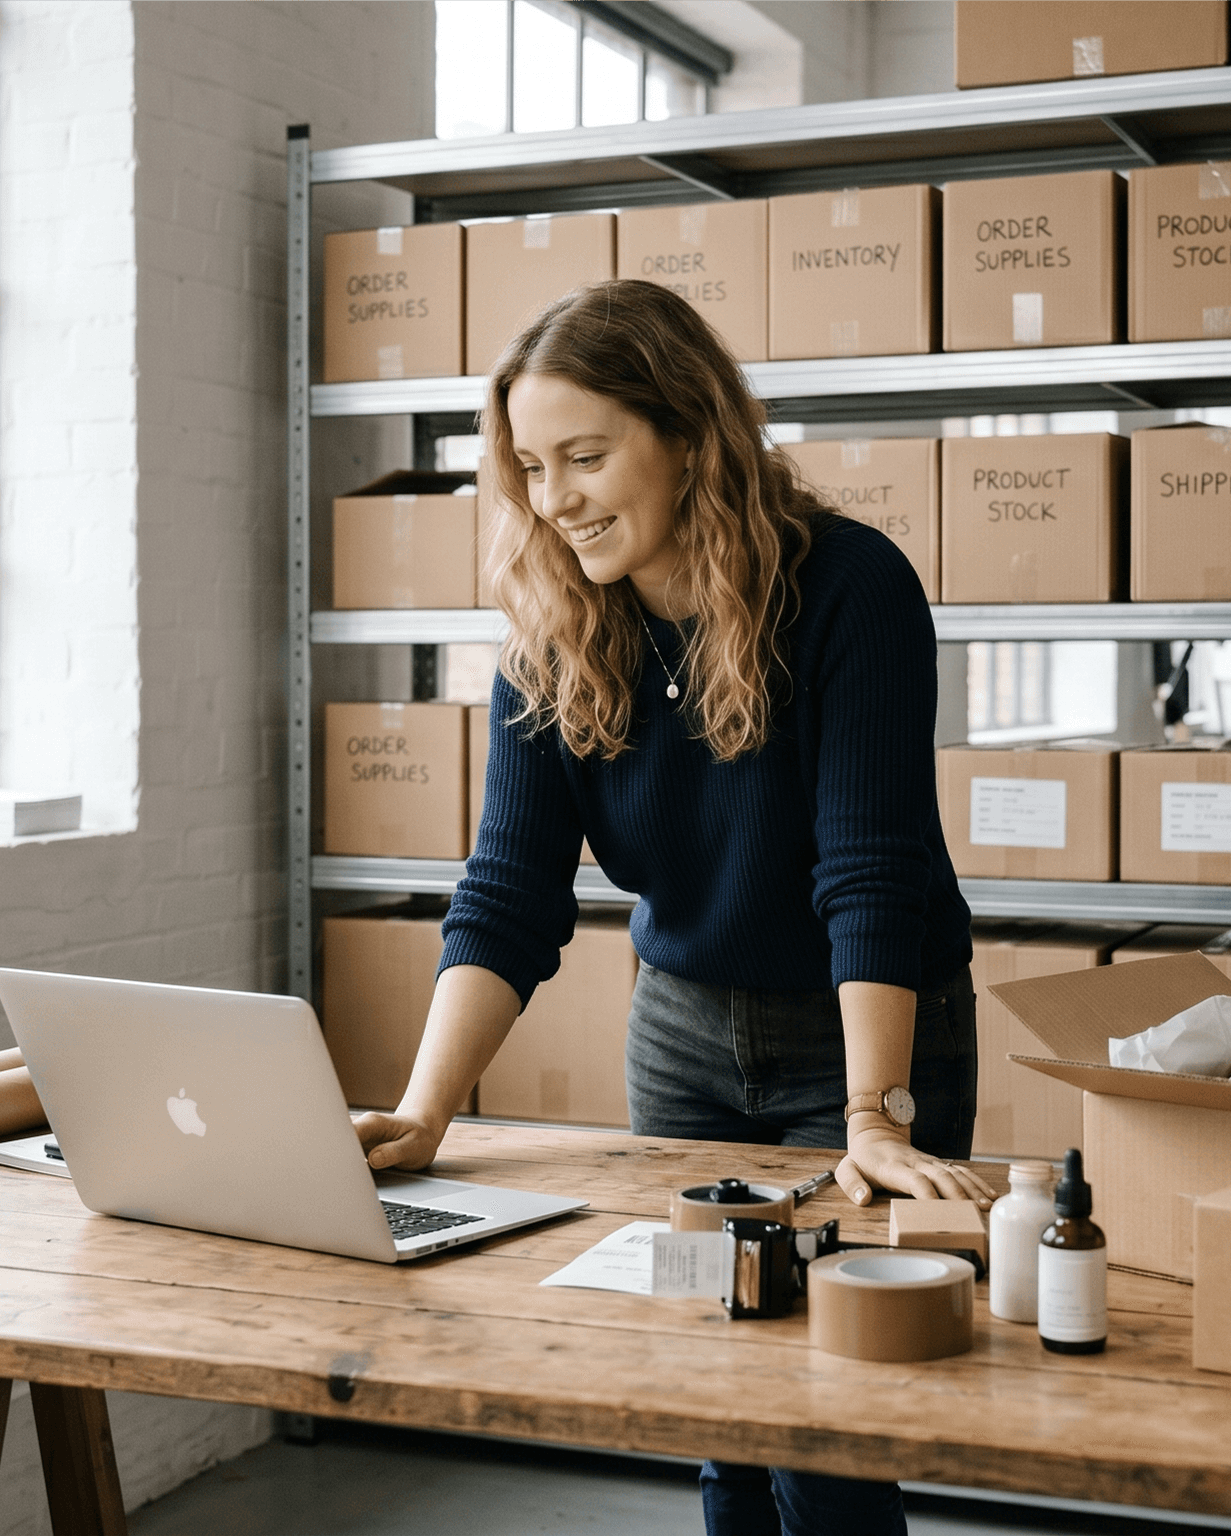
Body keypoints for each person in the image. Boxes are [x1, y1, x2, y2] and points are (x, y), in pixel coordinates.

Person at [353, 279, 987, 1536]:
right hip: (685, 1042)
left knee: (832, 1428)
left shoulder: (851, 587)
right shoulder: (552, 631)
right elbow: (508, 892)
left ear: (690, 436)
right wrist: (425, 1113)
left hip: (854, 1038)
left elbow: (871, 867)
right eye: (531, 466)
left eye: (586, 457)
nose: (554, 499)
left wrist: (873, 1115)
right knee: (713, 1404)